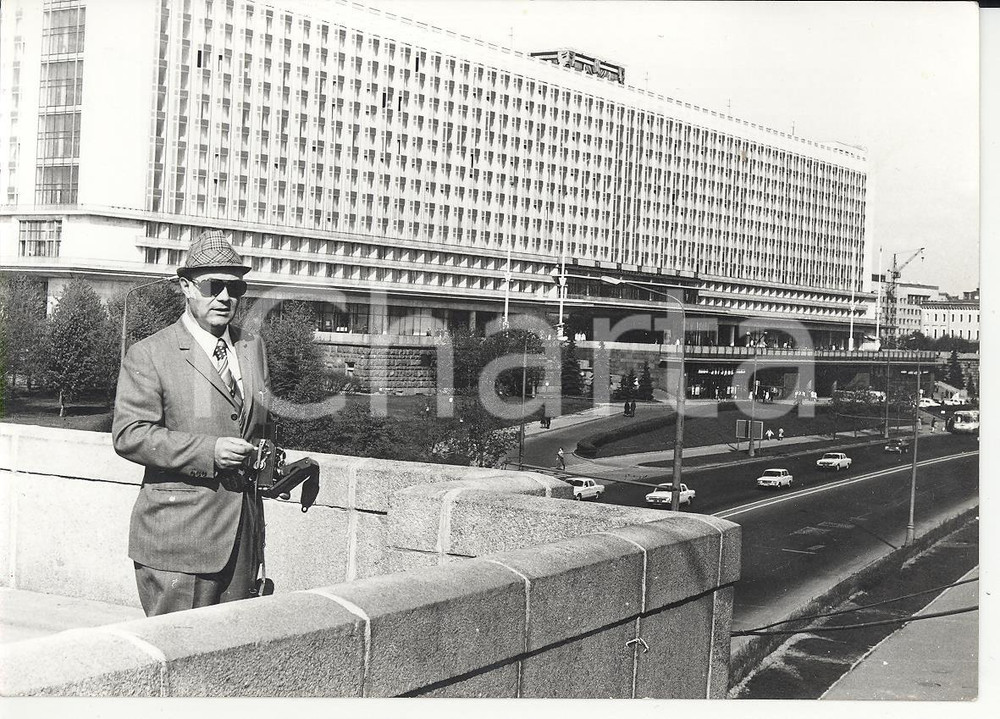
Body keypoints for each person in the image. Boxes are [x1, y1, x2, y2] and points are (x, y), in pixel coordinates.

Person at [112, 230, 272, 617]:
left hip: (242, 539)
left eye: (236, 288)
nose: (225, 298)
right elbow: (130, 435)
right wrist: (209, 451)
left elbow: (257, 425)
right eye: (212, 286)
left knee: (233, 659)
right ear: (185, 287)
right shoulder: (150, 353)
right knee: (177, 657)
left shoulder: (252, 347)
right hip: (178, 543)